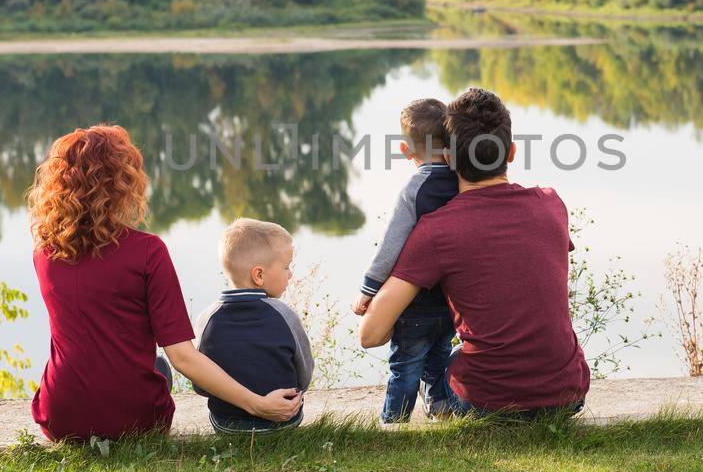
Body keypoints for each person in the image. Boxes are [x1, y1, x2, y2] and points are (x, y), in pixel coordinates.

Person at [26, 124, 301, 440]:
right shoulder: (147, 251)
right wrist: (258, 405)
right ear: (122, 184)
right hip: (133, 422)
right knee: (160, 367)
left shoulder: (44, 252)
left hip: (62, 418)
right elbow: (183, 356)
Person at [356, 88, 589, 418]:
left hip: (487, 403)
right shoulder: (551, 205)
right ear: (510, 152)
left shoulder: (437, 231)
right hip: (566, 394)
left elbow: (371, 334)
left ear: (448, 159)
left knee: (445, 364)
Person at [353, 98, 459, 422]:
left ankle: (393, 423)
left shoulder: (416, 187)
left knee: (405, 368)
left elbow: (391, 244)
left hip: (413, 303)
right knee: (439, 359)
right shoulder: (464, 181)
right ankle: (441, 413)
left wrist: (368, 289)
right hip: (451, 299)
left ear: (405, 149)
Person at [195, 219, 314, 434]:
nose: (290, 274)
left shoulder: (207, 318)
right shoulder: (284, 315)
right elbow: (304, 373)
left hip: (227, 424)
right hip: (284, 420)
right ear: (259, 275)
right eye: (286, 267)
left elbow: (201, 385)